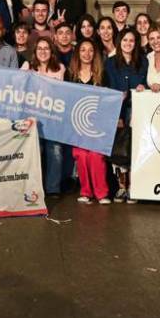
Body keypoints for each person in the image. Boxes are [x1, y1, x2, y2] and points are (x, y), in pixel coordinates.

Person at [104, 28, 147, 203]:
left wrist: (143, 87)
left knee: (136, 147)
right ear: (119, 42)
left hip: (138, 109)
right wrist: (118, 114)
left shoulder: (143, 62)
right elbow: (112, 88)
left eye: (131, 40)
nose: (128, 44)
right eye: (125, 40)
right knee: (119, 148)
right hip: (118, 109)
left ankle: (134, 186)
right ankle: (122, 186)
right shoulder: (111, 62)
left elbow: (145, 82)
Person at [21, 37, 66, 197]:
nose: (43, 51)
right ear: (35, 52)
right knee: (35, 152)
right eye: (39, 48)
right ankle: (35, 187)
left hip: (53, 118)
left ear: (51, 51)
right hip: (33, 118)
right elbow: (18, 87)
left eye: (46, 48)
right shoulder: (27, 66)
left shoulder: (60, 68)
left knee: (55, 151)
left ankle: (53, 187)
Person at [67, 40, 110, 204]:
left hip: (97, 125)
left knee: (96, 156)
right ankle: (86, 192)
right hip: (77, 124)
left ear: (95, 54)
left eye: (91, 50)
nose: (87, 54)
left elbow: (108, 99)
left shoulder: (102, 74)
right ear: (78, 53)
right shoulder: (71, 74)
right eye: (83, 50)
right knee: (81, 155)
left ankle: (102, 193)